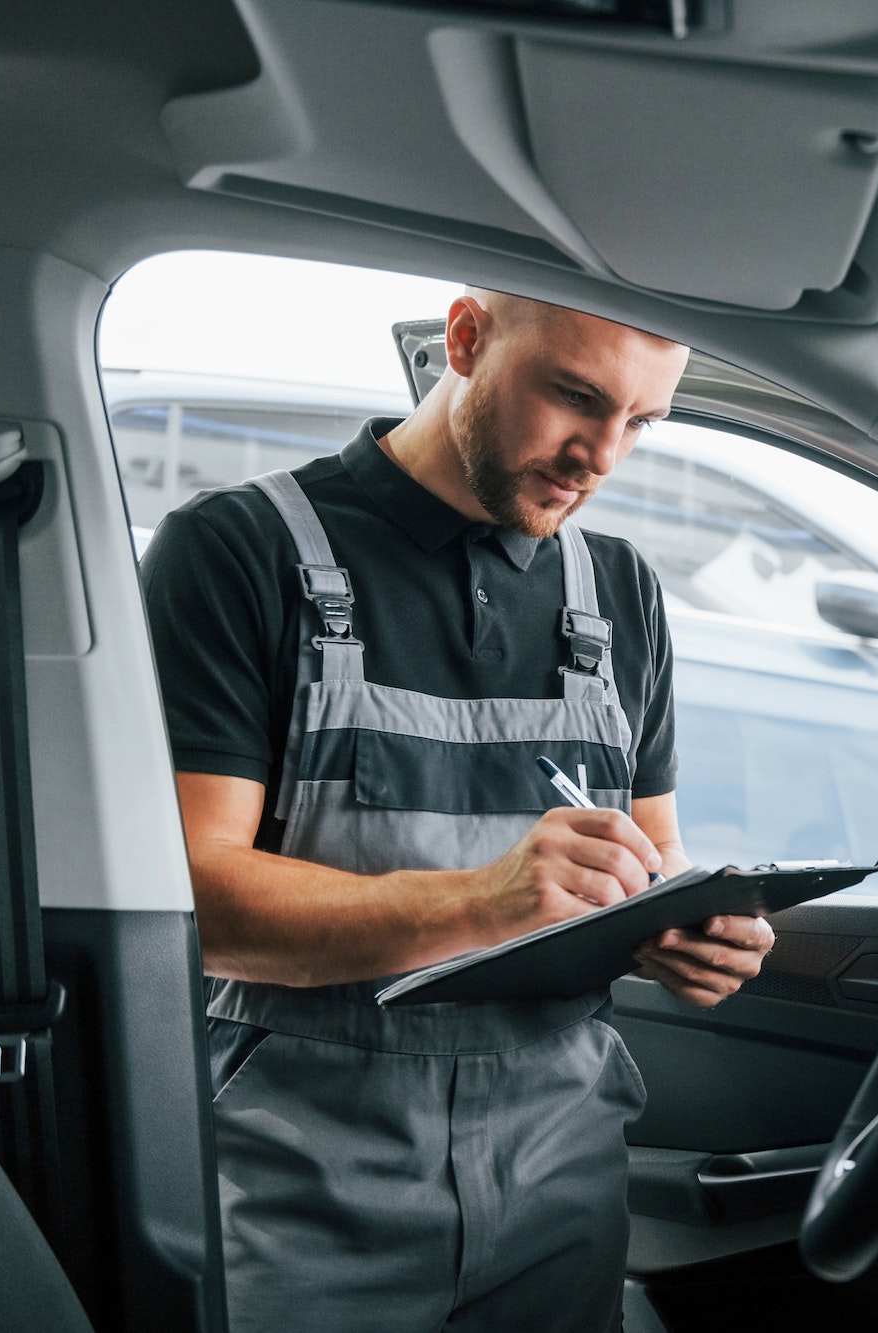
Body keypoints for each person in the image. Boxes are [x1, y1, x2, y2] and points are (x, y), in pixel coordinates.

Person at [139, 289, 775, 1332]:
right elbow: (192, 902)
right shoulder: (234, 551)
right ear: (468, 339)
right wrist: (484, 896)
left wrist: (682, 924)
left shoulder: (620, 591)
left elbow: (654, 850)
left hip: (561, 1168)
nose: (601, 455)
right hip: (301, 1178)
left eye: (641, 422)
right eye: (575, 396)